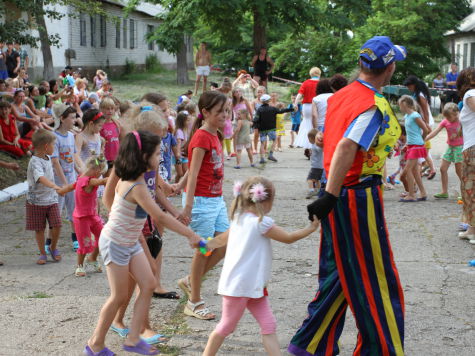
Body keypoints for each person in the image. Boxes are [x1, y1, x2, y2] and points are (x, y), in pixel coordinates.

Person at [290, 36, 406, 356]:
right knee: (376, 279)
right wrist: (330, 194)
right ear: (390, 67)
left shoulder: (341, 95)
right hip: (355, 195)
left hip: (338, 190)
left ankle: (310, 345)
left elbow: (327, 137)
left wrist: (329, 191)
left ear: (361, 64)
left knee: (340, 271)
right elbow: (345, 145)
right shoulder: (372, 105)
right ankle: (381, 350)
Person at [84, 130, 201, 356]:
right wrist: (190, 235)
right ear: (143, 156)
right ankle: (94, 344)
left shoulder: (142, 180)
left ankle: (133, 339)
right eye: (157, 154)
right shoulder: (135, 186)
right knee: (118, 296)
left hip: (131, 241)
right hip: (115, 243)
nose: (160, 158)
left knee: (148, 283)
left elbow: (160, 203)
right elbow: (160, 216)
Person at [202, 176, 319, 356]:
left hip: (251, 286)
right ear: (267, 200)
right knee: (226, 326)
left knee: (268, 324)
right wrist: (311, 229)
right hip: (241, 287)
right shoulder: (261, 223)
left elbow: (218, 241)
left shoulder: (239, 219)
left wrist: (202, 245)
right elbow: (288, 238)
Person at [177, 91, 230, 320]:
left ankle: (191, 280)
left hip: (216, 200)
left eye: (227, 111)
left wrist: (178, 183)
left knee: (225, 244)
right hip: (200, 202)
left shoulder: (214, 134)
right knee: (204, 249)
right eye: (220, 112)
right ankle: (194, 301)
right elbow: (195, 173)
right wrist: (187, 206)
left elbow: (191, 169)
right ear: (206, 112)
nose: (225, 115)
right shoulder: (200, 137)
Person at [61, 155, 108, 277]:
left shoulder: (80, 178)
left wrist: (62, 190)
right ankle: (79, 266)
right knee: (84, 243)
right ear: (97, 170)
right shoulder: (89, 180)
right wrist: (117, 176)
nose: (100, 175)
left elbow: (71, 186)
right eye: (101, 173)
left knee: (103, 237)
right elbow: (103, 181)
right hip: (82, 218)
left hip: (92, 215)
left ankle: (92, 258)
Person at [26, 129, 63, 265]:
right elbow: (40, 178)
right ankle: (42, 253)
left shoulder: (48, 158)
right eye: (53, 145)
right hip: (36, 201)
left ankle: (53, 247)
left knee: (57, 224)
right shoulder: (34, 162)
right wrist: (55, 186)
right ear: (46, 146)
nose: (55, 147)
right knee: (39, 229)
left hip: (51, 199)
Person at [51, 104, 81, 252]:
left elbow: (73, 157)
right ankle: (50, 241)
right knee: (56, 212)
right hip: (58, 182)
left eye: (75, 117)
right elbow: (55, 162)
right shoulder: (54, 137)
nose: (74, 120)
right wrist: (63, 184)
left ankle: (75, 239)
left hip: (71, 179)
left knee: (73, 210)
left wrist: (80, 173)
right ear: (62, 118)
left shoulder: (70, 136)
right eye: (72, 118)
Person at [425, 103, 463, 199]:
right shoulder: (445, 121)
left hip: (460, 148)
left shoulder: (462, 120)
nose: (448, 119)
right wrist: (424, 139)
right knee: (442, 169)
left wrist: (458, 134)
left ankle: (465, 192)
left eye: (449, 117)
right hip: (450, 147)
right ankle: (444, 192)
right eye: (446, 117)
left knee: (459, 171)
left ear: (456, 113)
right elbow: (435, 131)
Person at [403, 74, 436, 179]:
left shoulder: (420, 95)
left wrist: (425, 123)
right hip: (420, 121)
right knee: (420, 144)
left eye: (409, 86)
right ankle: (424, 165)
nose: (408, 88)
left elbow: (425, 111)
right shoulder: (416, 93)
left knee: (420, 144)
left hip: (423, 121)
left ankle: (426, 165)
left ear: (413, 85)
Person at [456, 67, 475, 243]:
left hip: (473, 149)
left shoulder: (470, 94)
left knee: (471, 190)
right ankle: (471, 228)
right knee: (467, 190)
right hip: (469, 147)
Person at [398, 95, 429, 202]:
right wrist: (407, 144)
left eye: (400, 105)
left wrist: (421, 141)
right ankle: (423, 193)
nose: (399, 107)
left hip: (416, 145)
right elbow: (410, 133)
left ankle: (411, 194)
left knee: (408, 170)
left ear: (405, 104)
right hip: (411, 145)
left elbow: (425, 129)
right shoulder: (407, 116)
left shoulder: (415, 115)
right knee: (415, 171)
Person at [254, 94, 293, 164]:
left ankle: (262, 158)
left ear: (262, 101)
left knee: (262, 143)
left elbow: (256, 119)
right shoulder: (273, 109)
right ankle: (270, 154)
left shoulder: (259, 109)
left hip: (262, 129)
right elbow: (281, 111)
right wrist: (291, 109)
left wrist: (255, 127)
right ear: (269, 101)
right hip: (271, 129)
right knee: (274, 140)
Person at [293, 67, 320, 152]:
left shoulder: (306, 83)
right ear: (319, 74)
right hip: (317, 105)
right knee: (316, 123)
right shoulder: (321, 83)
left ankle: (308, 146)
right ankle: (316, 144)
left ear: (311, 74)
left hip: (306, 107)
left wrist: (295, 104)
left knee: (306, 123)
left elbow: (299, 94)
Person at [75, 109, 105, 174]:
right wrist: (83, 168)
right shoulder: (81, 137)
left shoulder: (97, 134)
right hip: (87, 172)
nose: (101, 128)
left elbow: (98, 151)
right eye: (100, 125)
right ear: (91, 124)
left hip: (97, 170)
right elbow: (76, 155)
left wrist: (102, 162)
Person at [99, 97, 123, 174]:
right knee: (107, 181)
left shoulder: (116, 123)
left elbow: (118, 139)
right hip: (105, 158)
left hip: (116, 158)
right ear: (101, 109)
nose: (110, 111)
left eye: (112, 109)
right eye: (107, 109)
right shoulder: (100, 125)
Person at [305, 129, 323, 199]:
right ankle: (318, 191)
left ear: (312, 138)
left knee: (309, 179)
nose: (308, 140)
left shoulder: (316, 145)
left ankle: (311, 190)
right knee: (317, 180)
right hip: (320, 166)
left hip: (315, 166)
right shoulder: (316, 145)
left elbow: (319, 149)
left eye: (309, 138)